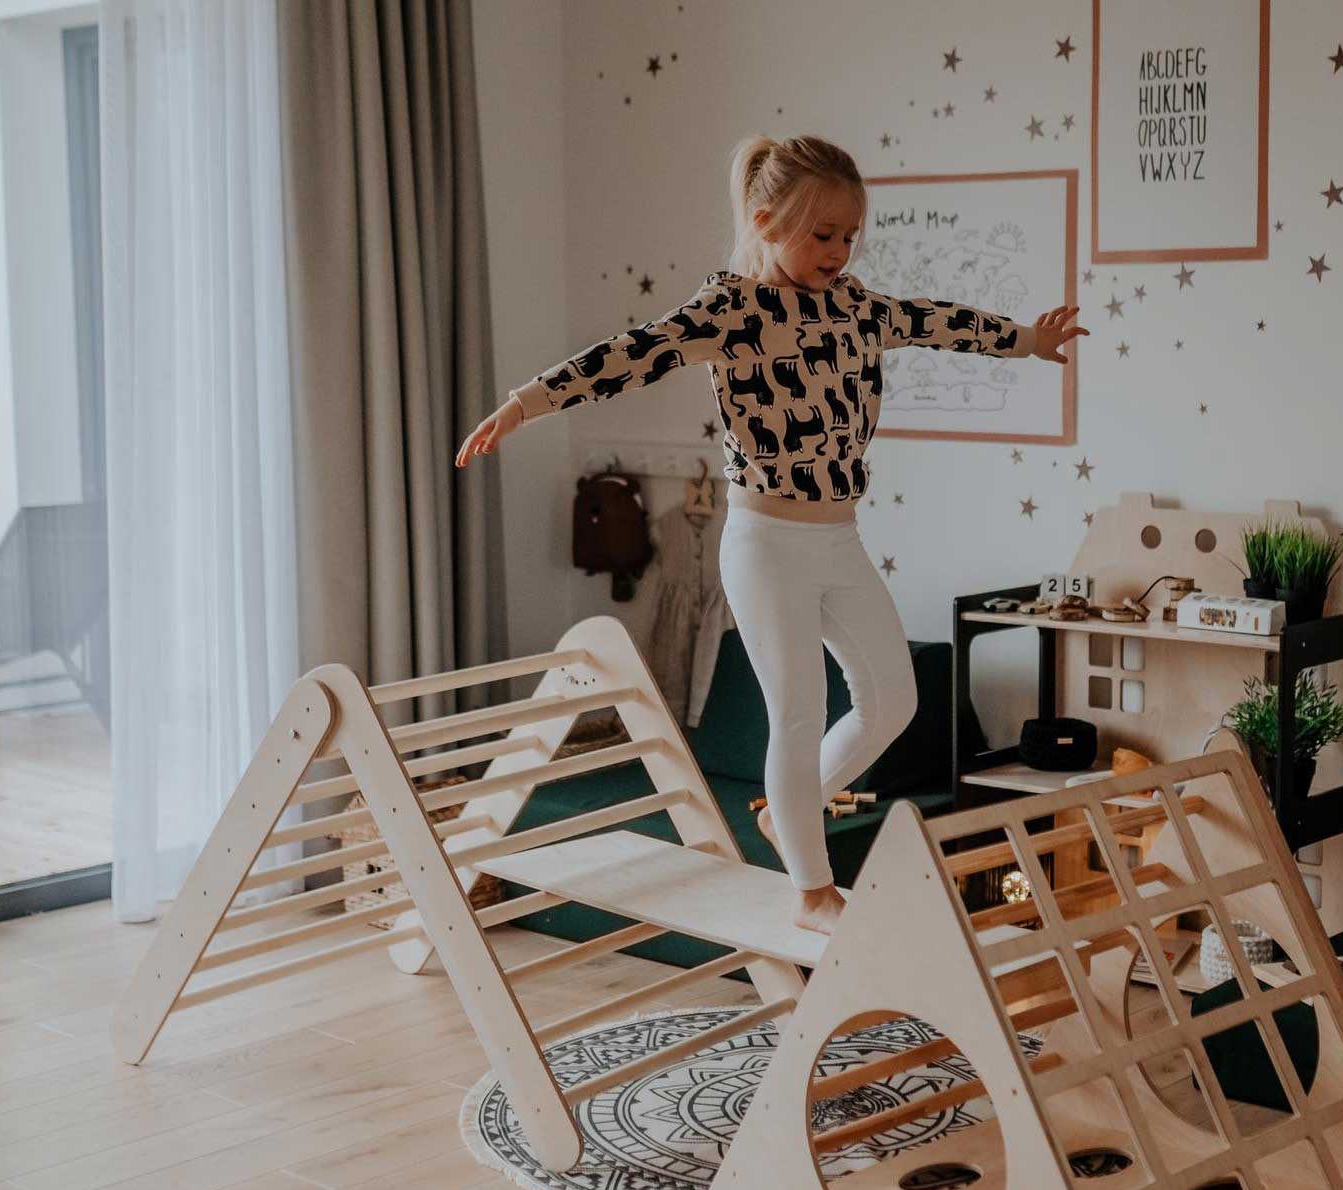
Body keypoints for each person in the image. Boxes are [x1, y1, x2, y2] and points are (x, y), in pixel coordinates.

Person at [455, 134, 1084, 935]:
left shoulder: (857, 307)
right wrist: (523, 403)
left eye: (851, 234)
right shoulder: (734, 311)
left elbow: (936, 322)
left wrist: (1027, 341)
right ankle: (811, 889)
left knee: (893, 699)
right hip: (764, 543)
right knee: (797, 712)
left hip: (839, 540)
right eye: (821, 234)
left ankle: (786, 811)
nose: (839, 250)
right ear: (764, 223)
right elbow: (630, 355)